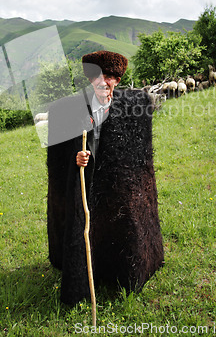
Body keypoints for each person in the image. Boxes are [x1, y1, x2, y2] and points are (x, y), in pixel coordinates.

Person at [47, 50, 164, 305]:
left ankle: (118, 271)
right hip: (85, 181)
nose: (105, 81)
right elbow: (62, 151)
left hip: (114, 180)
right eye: (99, 76)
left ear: (118, 80)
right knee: (85, 224)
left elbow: (137, 155)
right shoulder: (70, 109)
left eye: (111, 77)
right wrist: (75, 159)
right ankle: (86, 269)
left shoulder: (132, 107)